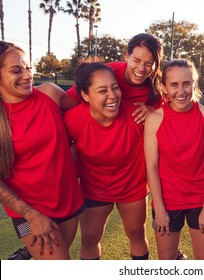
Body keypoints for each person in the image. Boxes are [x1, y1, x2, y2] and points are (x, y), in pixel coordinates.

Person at [0, 41, 84, 260]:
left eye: (28, 68)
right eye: (16, 70)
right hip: (28, 215)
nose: (28, 76)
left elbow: (84, 120)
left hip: (69, 200)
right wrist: (31, 215)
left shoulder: (49, 93)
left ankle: (27, 257)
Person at [62, 62, 150, 260]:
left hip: (132, 186)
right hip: (94, 188)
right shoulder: (73, 120)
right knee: (89, 238)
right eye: (102, 90)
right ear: (85, 95)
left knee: (137, 234)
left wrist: (154, 112)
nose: (112, 95)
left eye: (115, 87)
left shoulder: (137, 114)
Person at [144, 59, 204, 260]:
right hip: (167, 200)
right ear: (164, 87)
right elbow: (151, 167)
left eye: (186, 83)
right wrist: (159, 208)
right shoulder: (155, 119)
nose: (181, 91)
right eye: (174, 85)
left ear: (194, 84)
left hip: (201, 199)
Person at [66, 33, 163, 124]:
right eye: (136, 60)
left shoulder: (161, 87)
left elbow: (172, 114)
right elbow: (68, 100)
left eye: (149, 63)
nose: (141, 69)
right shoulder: (107, 72)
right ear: (127, 56)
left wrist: (154, 110)